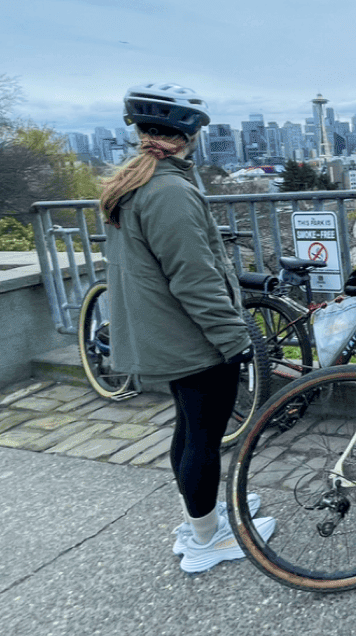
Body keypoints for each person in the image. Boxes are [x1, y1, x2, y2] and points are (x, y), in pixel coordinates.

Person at [99, 82, 275, 573]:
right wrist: (234, 340)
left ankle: (201, 518)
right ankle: (206, 538)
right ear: (189, 135)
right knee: (202, 436)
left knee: (190, 429)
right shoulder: (170, 190)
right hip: (190, 338)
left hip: (165, 333)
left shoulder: (136, 184)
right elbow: (194, 279)